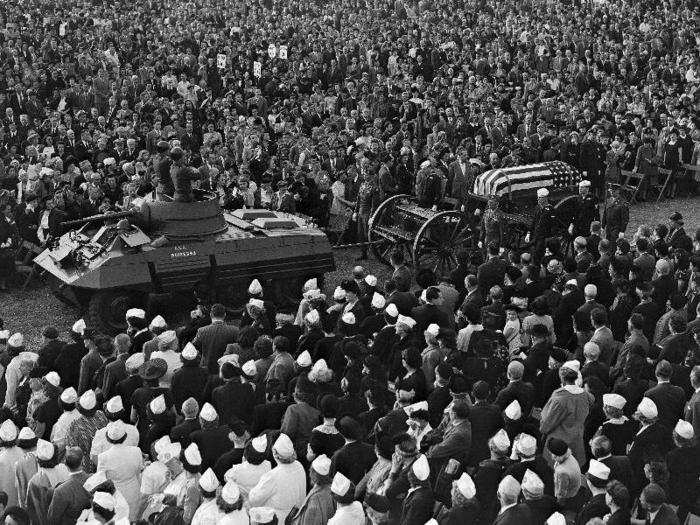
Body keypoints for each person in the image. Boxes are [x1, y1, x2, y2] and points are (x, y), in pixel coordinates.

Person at [248, 433, 306, 522]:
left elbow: (254, 500)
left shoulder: (272, 476)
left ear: (275, 453)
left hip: (276, 519)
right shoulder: (299, 465)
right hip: (297, 517)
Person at [46, 447, 91, 525]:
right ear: (82, 461)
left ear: (65, 464)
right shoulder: (95, 479)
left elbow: (52, 519)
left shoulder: (60, 491)